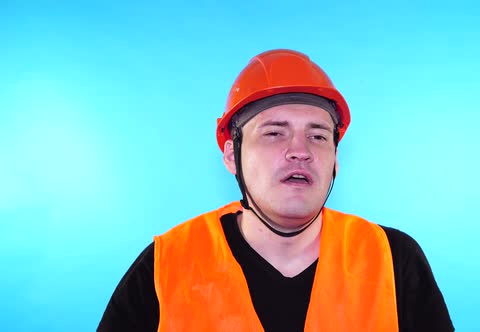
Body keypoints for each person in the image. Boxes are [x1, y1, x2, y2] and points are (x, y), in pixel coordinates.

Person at [98, 49, 454, 332]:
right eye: (274, 133)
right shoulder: (165, 268)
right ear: (231, 156)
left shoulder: (393, 260)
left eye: (317, 135)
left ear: (335, 160)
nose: (300, 150)